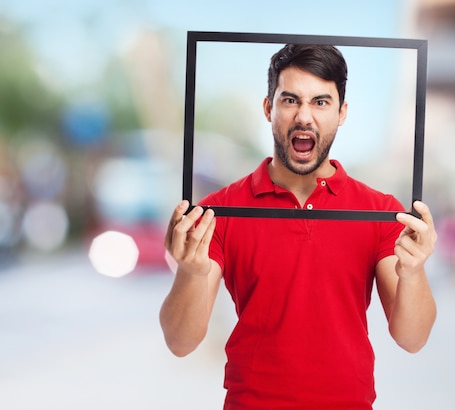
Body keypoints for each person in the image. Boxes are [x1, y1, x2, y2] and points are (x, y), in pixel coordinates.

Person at [159, 43, 437, 410]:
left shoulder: (381, 211)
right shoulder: (220, 211)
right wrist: (190, 273)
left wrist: (414, 271)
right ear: (268, 108)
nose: (304, 117)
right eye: (290, 100)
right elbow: (180, 342)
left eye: (321, 102)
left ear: (342, 113)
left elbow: (412, 339)